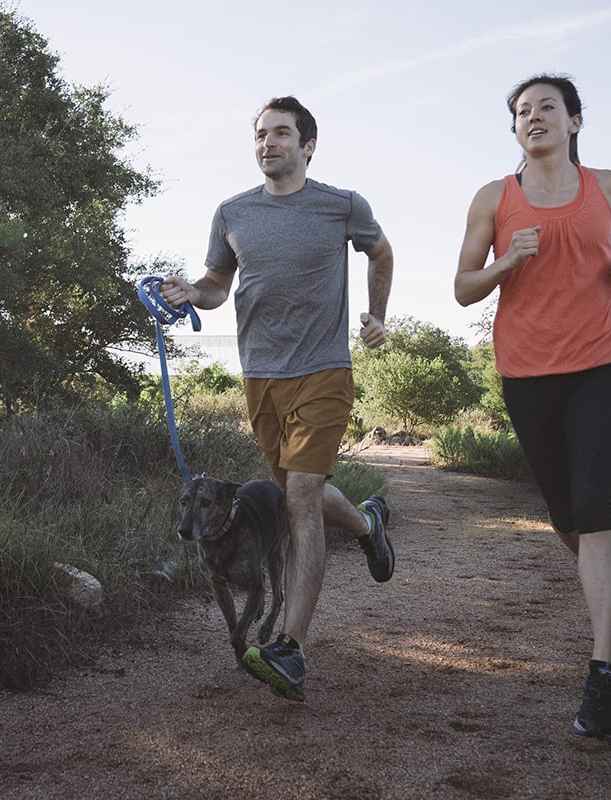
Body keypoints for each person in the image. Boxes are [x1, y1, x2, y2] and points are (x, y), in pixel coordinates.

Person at [159, 96, 395, 702]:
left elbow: (382, 251)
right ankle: (367, 523)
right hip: (259, 376)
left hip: (323, 369)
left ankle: (289, 647)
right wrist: (191, 291)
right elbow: (216, 286)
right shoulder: (231, 212)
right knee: (297, 495)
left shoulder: (341, 205)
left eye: (281, 133)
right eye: (260, 134)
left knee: (300, 497)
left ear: (307, 145)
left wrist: (377, 315)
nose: (268, 142)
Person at [453, 74, 611, 743]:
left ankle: (605, 677)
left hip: (598, 364)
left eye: (546, 108)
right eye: (521, 112)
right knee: (568, 518)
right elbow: (462, 289)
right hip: (527, 374)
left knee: (596, 507)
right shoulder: (494, 197)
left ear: (574, 122)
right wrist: (507, 258)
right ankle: (605, 585)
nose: (532, 117)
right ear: (515, 131)